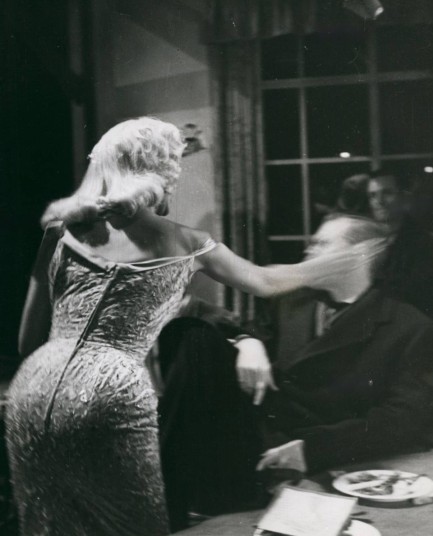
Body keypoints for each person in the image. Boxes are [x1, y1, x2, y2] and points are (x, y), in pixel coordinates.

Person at [5, 117, 378, 536]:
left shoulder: (60, 233)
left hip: (32, 389)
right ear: (162, 175)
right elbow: (266, 282)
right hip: (111, 393)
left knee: (52, 523)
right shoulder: (186, 241)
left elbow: (26, 342)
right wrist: (337, 262)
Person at [159, 214, 433, 530]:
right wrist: (248, 342)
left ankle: (162, 498)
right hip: (251, 434)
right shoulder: (293, 303)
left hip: (308, 455)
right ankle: (155, 495)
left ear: (360, 255)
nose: (308, 251)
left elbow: (402, 421)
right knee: (193, 336)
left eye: (322, 244)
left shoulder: (409, 327)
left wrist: (311, 450)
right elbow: (248, 329)